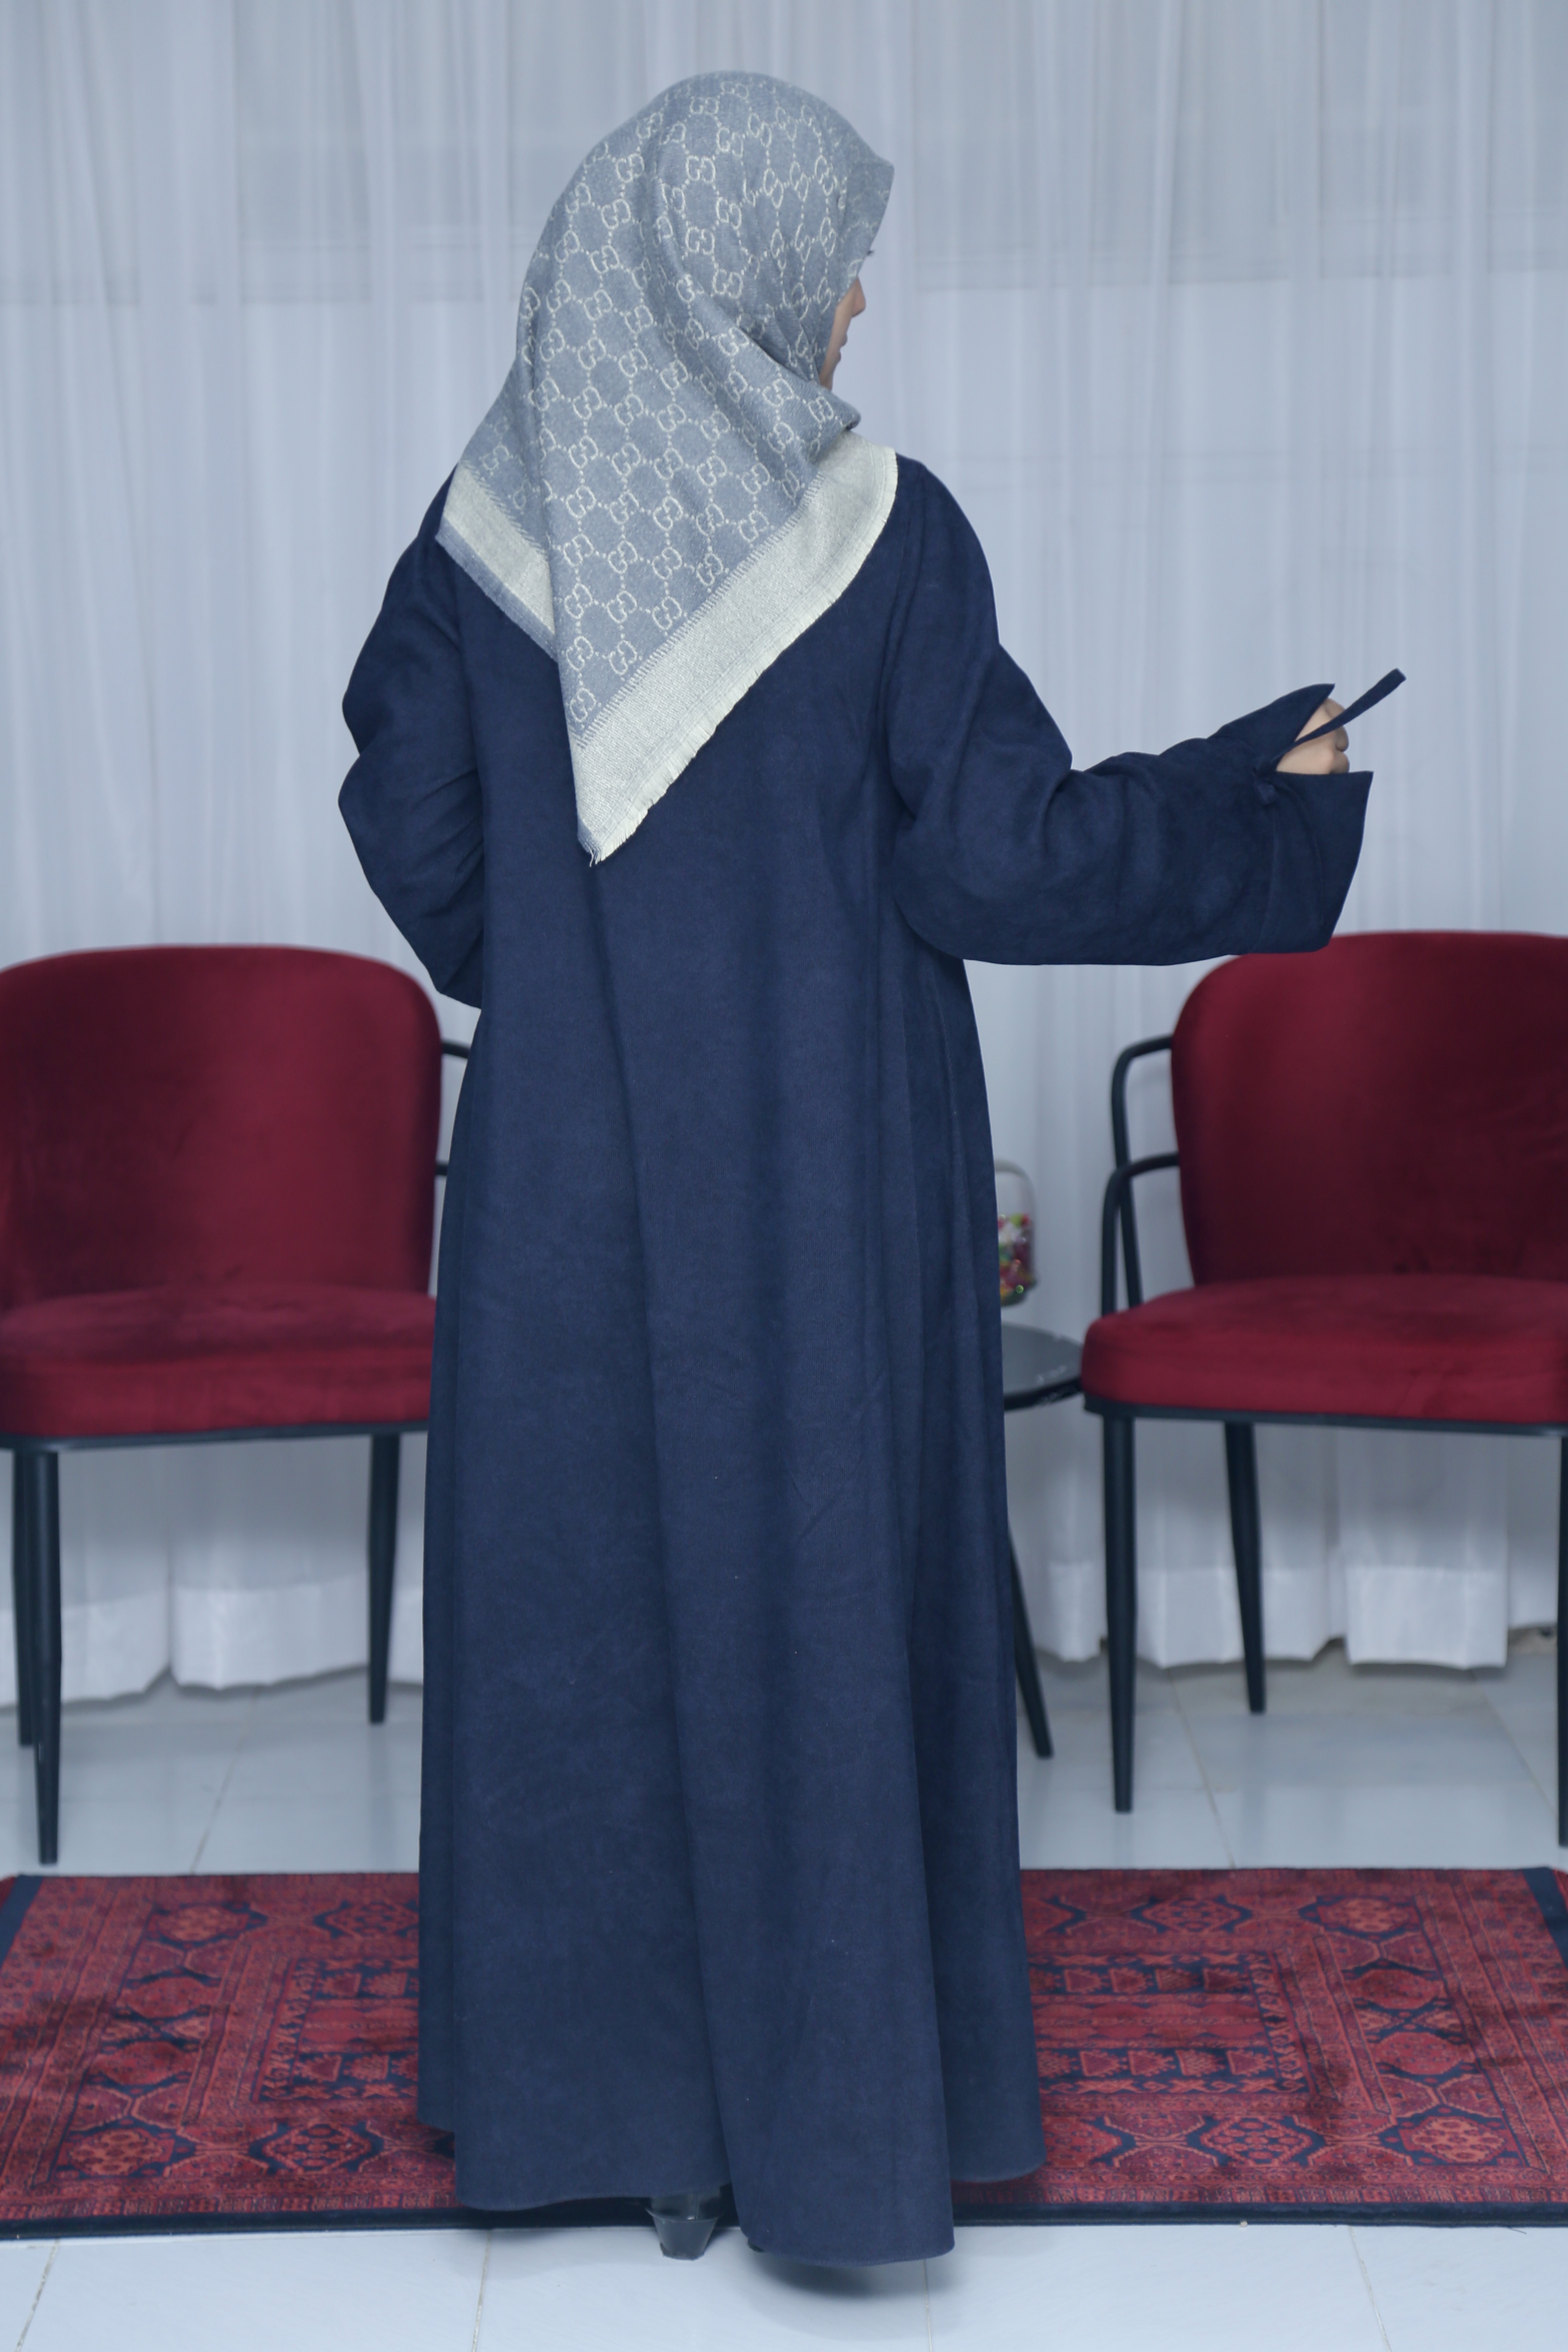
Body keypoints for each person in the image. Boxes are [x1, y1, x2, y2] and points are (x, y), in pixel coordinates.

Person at [339, 72, 1368, 2269]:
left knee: (582, 1611)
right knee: (805, 1601)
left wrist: (574, 978)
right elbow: (999, 855)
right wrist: (1252, 794)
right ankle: (824, 2127)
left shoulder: (482, 532)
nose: (858, 300)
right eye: (839, 259)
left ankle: (617, 2120)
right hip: (820, 1182)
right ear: (749, 272)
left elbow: (404, 810)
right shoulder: (880, 534)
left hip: (558, 1188)